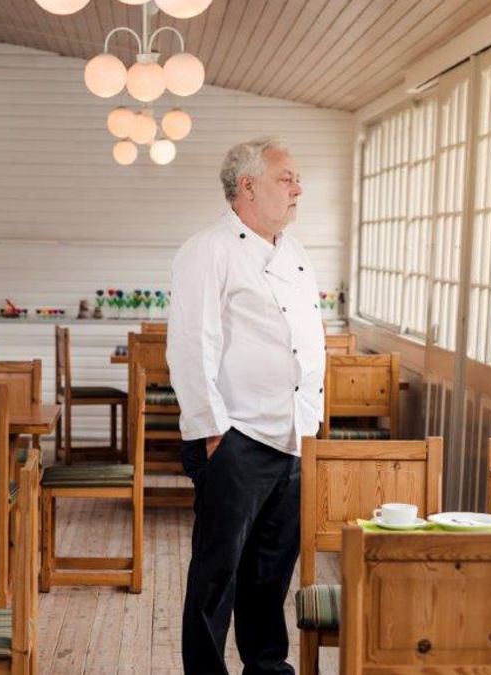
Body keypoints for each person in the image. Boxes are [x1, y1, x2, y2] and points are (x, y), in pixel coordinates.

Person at [167, 137, 326, 674]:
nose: (298, 189)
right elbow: (192, 345)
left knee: (271, 573)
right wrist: (213, 434)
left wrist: (311, 426)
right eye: (287, 179)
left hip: (292, 437)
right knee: (218, 575)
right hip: (235, 438)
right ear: (248, 186)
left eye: (297, 179)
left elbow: (304, 342)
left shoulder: (295, 253)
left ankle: (266, 667)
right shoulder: (208, 249)